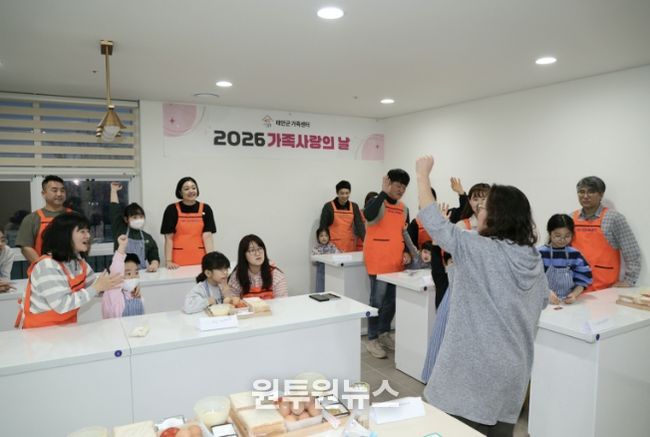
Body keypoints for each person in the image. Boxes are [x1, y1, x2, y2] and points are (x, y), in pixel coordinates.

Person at [416, 155, 548, 436]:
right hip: (513, 372)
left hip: (471, 370)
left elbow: (432, 221)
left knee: (447, 429)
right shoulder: (532, 257)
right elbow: (544, 300)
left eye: (483, 207)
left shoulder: (476, 247)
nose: (478, 211)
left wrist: (422, 174)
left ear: (498, 215)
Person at [15, 212, 123, 329]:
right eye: (82, 231)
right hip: (38, 331)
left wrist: (127, 287)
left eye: (88, 231)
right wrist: (96, 288)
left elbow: (97, 286)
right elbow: (62, 305)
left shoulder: (79, 263)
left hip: (66, 328)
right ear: (65, 235)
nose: (88, 236)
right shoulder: (47, 265)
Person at [363, 169, 411, 359]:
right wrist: (382, 192)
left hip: (396, 262)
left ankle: (383, 333)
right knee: (377, 302)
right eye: (398, 185)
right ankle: (372, 339)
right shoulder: (377, 203)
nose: (401, 190)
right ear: (388, 183)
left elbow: (404, 233)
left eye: (404, 187)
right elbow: (368, 215)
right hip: (378, 262)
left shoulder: (404, 208)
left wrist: (407, 252)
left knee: (392, 301)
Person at [572, 176, 641, 290]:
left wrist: (629, 280)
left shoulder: (614, 218)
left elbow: (631, 251)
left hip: (605, 288)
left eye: (591, 192)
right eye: (581, 192)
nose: (585, 196)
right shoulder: (570, 218)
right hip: (576, 288)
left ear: (601, 194)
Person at [161, 177, 216, 269]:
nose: (191, 191)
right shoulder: (171, 209)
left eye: (194, 188)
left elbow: (208, 236)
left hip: (201, 259)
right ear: (180, 192)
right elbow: (168, 237)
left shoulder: (206, 208)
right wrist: (168, 261)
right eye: (186, 189)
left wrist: (211, 260)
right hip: (177, 261)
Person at [538, 214, 592, 305]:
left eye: (567, 236)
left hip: (567, 302)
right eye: (558, 236)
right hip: (543, 301)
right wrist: (547, 292)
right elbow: (533, 280)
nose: (562, 240)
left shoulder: (575, 254)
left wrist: (574, 294)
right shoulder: (540, 253)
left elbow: (583, 280)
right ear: (550, 233)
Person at [15, 175, 70, 264]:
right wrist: (44, 267)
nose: (59, 194)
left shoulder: (75, 217)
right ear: (43, 193)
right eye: (54, 190)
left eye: (62, 190)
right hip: (43, 269)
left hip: (72, 269)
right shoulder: (32, 219)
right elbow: (26, 247)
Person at [110, 182, 160, 271]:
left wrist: (154, 264)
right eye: (135, 217)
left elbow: (154, 255)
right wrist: (114, 191)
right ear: (126, 219)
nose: (139, 220)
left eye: (141, 217)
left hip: (140, 274)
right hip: (121, 274)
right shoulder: (120, 229)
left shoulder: (147, 237)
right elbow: (114, 210)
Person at [228, 234, 288, 299]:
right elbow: (233, 302)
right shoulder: (236, 277)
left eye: (260, 249)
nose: (257, 253)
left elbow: (282, 302)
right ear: (243, 255)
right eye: (252, 250)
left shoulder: (276, 275)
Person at [102, 235, 144, 318]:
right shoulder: (113, 292)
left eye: (136, 272)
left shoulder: (135, 293)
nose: (133, 277)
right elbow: (117, 271)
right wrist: (122, 247)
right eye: (128, 274)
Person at [319, 180, 365, 252]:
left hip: (349, 245)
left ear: (350, 192)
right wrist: (323, 247)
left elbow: (360, 225)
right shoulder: (328, 207)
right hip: (333, 247)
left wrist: (365, 241)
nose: (345, 196)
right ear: (337, 193)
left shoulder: (354, 206)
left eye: (347, 193)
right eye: (342, 193)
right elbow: (323, 227)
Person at [312, 227, 340, 293]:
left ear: (329, 237)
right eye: (321, 236)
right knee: (320, 290)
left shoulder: (332, 246)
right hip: (320, 273)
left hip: (331, 272)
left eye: (326, 235)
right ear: (318, 238)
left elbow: (338, 254)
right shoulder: (316, 248)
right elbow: (313, 260)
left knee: (331, 290)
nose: (324, 238)